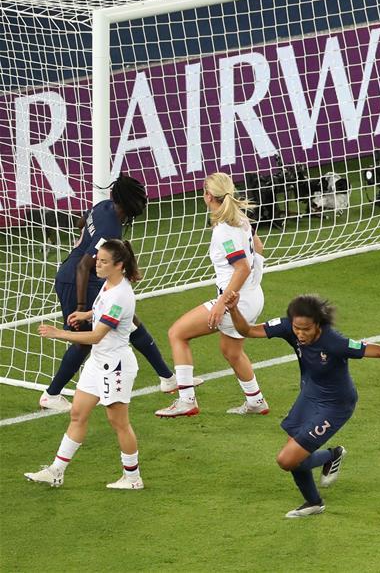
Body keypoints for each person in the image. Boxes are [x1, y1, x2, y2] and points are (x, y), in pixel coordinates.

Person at [225, 293, 380, 517]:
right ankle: (314, 501)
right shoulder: (290, 326)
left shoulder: (334, 342)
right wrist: (232, 309)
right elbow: (248, 331)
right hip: (309, 395)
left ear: (318, 324)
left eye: (306, 329)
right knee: (295, 457)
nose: (300, 333)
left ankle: (331, 456)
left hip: (336, 405)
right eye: (297, 328)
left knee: (287, 459)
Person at [40, 175, 187, 412]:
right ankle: (51, 395)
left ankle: (167, 377)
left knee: (130, 321)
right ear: (129, 202)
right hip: (77, 280)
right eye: (140, 200)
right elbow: (83, 266)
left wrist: (87, 236)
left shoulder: (103, 206)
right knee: (84, 342)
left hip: (89, 278)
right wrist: (80, 306)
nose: (142, 204)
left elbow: (82, 222)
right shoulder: (110, 229)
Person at [26, 240, 146, 489]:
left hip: (115, 366)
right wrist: (86, 314)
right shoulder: (109, 284)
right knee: (77, 413)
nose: (97, 265)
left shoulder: (120, 295)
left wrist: (59, 333)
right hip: (99, 361)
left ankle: (133, 478)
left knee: (119, 423)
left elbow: (95, 336)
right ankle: (56, 471)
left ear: (119, 265)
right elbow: (101, 313)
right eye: (97, 259)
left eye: (103, 262)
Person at [155, 172, 268, 418]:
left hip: (235, 300)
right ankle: (256, 401)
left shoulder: (224, 230)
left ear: (208, 196)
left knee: (177, 333)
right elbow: (257, 248)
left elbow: (241, 268)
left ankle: (186, 400)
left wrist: (220, 304)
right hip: (252, 295)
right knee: (232, 351)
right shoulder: (239, 218)